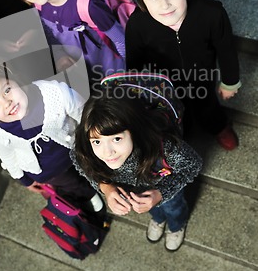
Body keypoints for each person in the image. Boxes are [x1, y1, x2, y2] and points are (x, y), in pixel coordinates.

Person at [125, 0, 241, 150]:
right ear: (141, 0)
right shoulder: (137, 24)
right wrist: (138, 91)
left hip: (203, 75)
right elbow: (135, 62)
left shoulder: (211, 14)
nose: (164, 4)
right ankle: (180, 135)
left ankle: (219, 126)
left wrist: (230, 82)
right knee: (173, 115)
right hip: (165, 84)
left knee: (207, 105)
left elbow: (226, 49)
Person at [0, 63, 104, 214]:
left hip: (76, 149)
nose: (6, 103)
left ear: (17, 80)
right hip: (48, 171)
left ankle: (101, 182)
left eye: (7, 90)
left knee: (90, 167)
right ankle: (89, 194)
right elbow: (8, 156)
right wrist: (25, 180)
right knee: (72, 184)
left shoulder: (55, 93)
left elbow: (84, 117)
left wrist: (95, 141)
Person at [73, 89, 202, 251]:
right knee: (153, 209)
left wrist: (162, 192)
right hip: (138, 193)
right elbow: (79, 161)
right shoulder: (86, 148)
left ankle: (177, 226)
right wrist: (106, 187)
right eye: (97, 142)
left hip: (165, 183)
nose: (107, 153)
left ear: (135, 130)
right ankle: (158, 219)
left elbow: (193, 164)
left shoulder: (164, 146)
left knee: (173, 208)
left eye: (117, 139)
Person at [5, 0, 126, 91]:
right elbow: (51, 34)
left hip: (114, 74)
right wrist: (60, 55)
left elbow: (120, 40)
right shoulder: (39, 3)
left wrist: (130, 75)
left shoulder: (88, 4)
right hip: (87, 76)